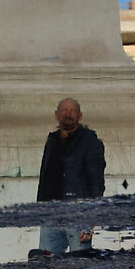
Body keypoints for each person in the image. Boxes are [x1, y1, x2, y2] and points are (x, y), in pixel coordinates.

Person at [35, 97, 105, 254]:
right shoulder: (52, 140)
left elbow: (96, 182)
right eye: (64, 110)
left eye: (72, 110)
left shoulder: (90, 142)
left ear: (79, 116)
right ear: (56, 114)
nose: (68, 114)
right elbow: (45, 177)